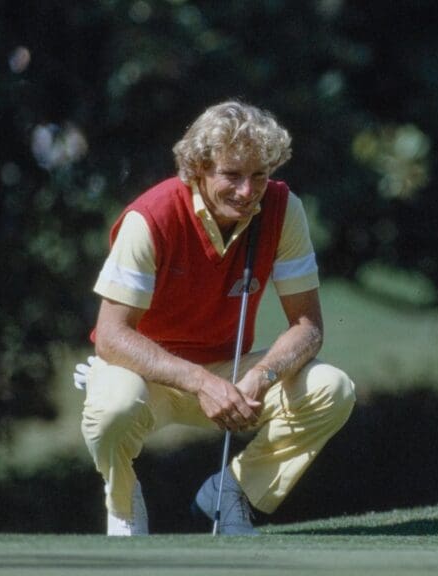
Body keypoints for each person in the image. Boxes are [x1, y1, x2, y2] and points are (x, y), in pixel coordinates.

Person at [79, 101, 356, 536]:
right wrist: (201, 383)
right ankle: (124, 506)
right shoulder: (151, 218)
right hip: (144, 375)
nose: (248, 192)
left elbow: (308, 326)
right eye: (232, 175)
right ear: (197, 169)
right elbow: (111, 337)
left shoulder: (283, 210)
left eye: (260, 175)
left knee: (331, 389)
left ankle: (232, 493)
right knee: (113, 408)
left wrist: (262, 376)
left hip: (230, 375)